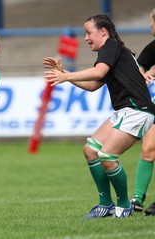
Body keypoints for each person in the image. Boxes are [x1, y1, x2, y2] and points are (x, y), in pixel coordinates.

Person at [43, 14, 155, 218]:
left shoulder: (110, 46)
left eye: (88, 32)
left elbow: (98, 72)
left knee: (107, 156)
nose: (85, 37)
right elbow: (94, 85)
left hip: (137, 111)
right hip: (125, 110)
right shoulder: (112, 50)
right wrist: (66, 75)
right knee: (90, 150)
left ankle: (123, 206)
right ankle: (106, 204)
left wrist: (66, 75)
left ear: (103, 32)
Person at [130, 8, 155, 215]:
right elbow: (139, 67)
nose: (150, 25)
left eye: (152, 21)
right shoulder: (153, 47)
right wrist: (146, 74)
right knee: (148, 149)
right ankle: (137, 199)